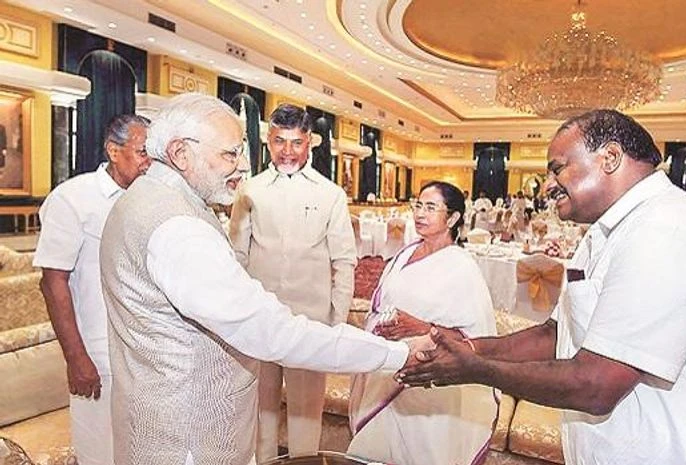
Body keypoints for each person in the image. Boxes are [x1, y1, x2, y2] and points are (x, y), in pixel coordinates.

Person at [399, 109, 686, 464]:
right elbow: (557, 333)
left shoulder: (668, 232)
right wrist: (467, 346)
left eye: (558, 169)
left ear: (610, 158)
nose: (547, 185)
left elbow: (596, 384)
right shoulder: (605, 232)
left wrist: (477, 368)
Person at [99, 93, 429, 465]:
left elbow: (341, 264)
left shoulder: (140, 198)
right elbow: (272, 332)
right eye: (230, 153)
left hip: (155, 427)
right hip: (189, 442)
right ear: (180, 154)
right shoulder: (179, 230)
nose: (242, 166)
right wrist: (396, 354)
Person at [229, 103, 357, 461]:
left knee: (305, 417)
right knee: (259, 415)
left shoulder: (330, 194)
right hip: (259, 322)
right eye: (279, 141)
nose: (288, 151)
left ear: (310, 143)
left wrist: (337, 323)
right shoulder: (249, 190)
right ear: (268, 141)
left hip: (308, 324)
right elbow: (236, 257)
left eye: (296, 142)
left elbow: (344, 262)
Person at [347, 181, 497, 465]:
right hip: (387, 368)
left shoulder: (461, 267)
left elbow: (474, 336)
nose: (420, 213)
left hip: (428, 378)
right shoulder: (405, 253)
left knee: (421, 452)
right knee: (376, 450)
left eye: (431, 207)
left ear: (452, 218)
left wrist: (421, 327)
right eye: (418, 205)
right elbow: (380, 304)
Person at [34, 114, 151, 465]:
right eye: (143, 152)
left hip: (146, 353)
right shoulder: (73, 199)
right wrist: (76, 358)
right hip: (98, 354)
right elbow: (52, 282)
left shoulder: (152, 199)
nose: (149, 162)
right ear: (114, 151)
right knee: (99, 454)